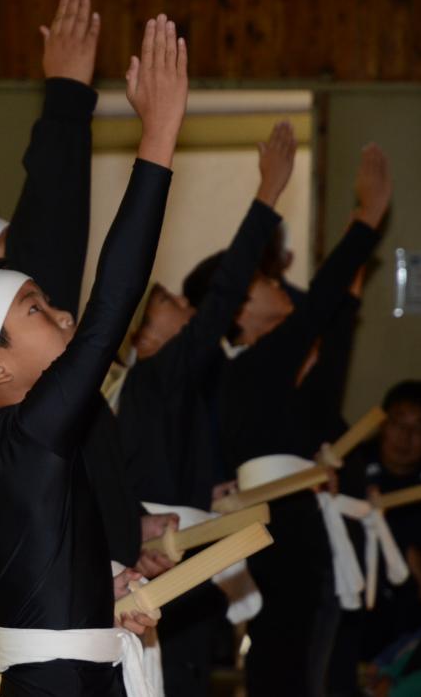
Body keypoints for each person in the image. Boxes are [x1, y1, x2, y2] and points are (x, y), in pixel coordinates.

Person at [0, 0, 174, 696]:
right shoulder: (23, 434)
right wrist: (156, 139)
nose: (60, 310)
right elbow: (111, 303)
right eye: (33, 301)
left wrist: (107, 587)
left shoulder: (16, 435)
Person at [184, 143, 392, 696]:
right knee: (292, 670)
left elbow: (322, 403)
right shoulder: (247, 368)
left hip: (293, 530)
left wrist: (346, 303)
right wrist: (367, 223)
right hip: (287, 537)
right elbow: (317, 307)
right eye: (265, 283)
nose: (281, 287)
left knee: (306, 665)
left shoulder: (258, 374)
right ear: (237, 311)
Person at [116, 120, 296, 695]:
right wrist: (266, 197)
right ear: (143, 340)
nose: (185, 308)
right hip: (165, 566)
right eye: (166, 303)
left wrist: (212, 487)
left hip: (176, 562)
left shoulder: (165, 389)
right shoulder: (152, 376)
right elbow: (219, 305)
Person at [333, 381, 421, 693]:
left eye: (419, 428)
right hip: (347, 624)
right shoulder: (350, 468)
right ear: (382, 424)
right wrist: (401, 546)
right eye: (398, 423)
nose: (406, 437)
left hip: (409, 639)